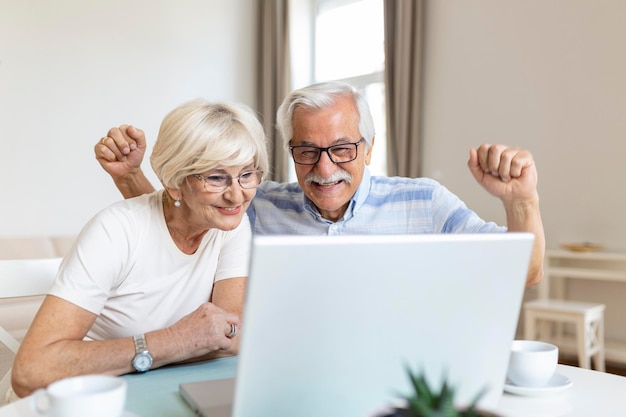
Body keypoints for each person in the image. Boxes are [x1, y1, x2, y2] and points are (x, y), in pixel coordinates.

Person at [94, 81, 545, 286]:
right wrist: (132, 176)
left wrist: (522, 201)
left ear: (369, 147)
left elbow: (523, 271)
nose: (324, 170)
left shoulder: (423, 201)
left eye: (343, 149)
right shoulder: (257, 204)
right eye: (306, 152)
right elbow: (180, 222)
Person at [11, 100, 269, 398]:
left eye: (247, 174)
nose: (237, 195)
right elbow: (31, 372)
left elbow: (230, 337)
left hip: (152, 393)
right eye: (215, 177)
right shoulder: (115, 230)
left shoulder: (230, 225)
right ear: (174, 182)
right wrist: (171, 342)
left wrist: (186, 345)